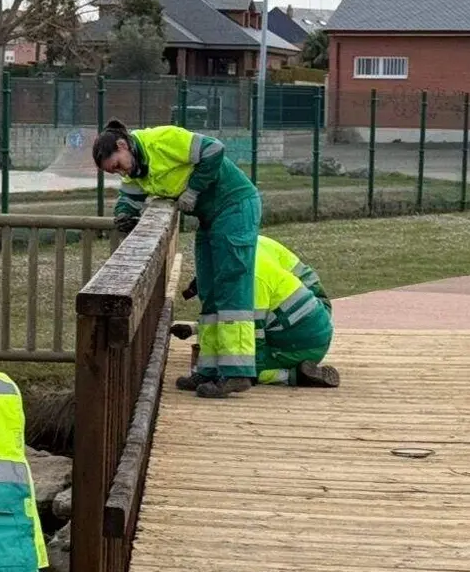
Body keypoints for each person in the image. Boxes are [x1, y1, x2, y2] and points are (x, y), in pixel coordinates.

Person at [93, 119, 261, 399]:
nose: (121, 172)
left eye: (118, 165)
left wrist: (193, 189)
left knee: (231, 286)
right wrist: (124, 215)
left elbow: (214, 150)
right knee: (209, 289)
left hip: (235, 207)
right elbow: (130, 199)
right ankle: (208, 369)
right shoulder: (136, 169)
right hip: (211, 217)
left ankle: (237, 372)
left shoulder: (163, 139)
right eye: (114, 171)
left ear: (123, 145)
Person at [171, 246, 339, 390]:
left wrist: (242, 371)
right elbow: (234, 319)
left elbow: (251, 334)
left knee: (242, 368)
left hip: (304, 343)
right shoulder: (243, 258)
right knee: (232, 356)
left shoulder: (252, 283)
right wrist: (194, 328)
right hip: (306, 322)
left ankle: (293, 376)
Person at [180, 234, 330, 312]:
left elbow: (249, 320)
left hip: (313, 306)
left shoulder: (246, 269)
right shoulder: (237, 250)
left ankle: (291, 365)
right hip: (307, 302)